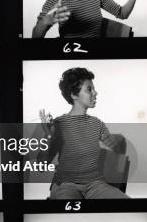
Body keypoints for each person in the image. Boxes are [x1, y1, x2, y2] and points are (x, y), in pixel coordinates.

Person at [38, 67, 130, 199]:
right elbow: (41, 166)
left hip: (95, 184)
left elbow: (117, 151)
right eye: (89, 89)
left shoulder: (97, 123)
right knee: (69, 216)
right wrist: (49, 135)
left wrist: (112, 145)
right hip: (66, 184)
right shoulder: (58, 124)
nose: (95, 93)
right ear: (74, 95)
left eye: (94, 88)